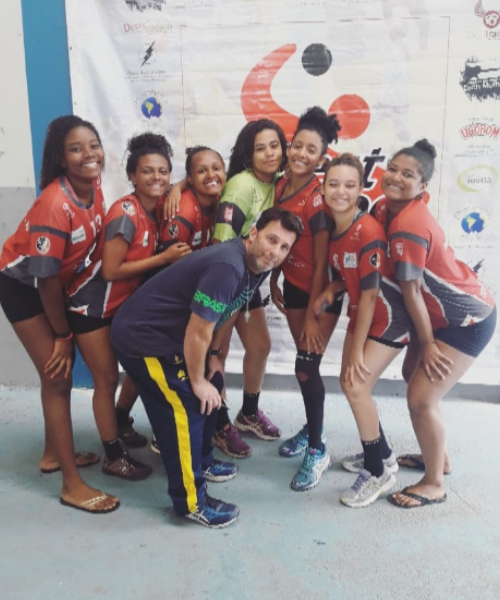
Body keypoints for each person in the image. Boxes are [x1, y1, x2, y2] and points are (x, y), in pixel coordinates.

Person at [110, 207, 303, 528]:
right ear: (253, 233)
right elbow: (198, 329)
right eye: (272, 240)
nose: (276, 252)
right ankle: (190, 503)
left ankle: (201, 462)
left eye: (285, 247)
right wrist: (196, 380)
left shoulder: (257, 264)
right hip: (143, 338)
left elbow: (227, 309)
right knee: (187, 403)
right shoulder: (227, 267)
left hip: (174, 336)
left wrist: (213, 356)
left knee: (214, 381)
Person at [0, 115, 118, 513]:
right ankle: (71, 484)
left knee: (57, 379)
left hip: (51, 286)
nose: (89, 154)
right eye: (76, 149)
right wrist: (63, 336)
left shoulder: (93, 186)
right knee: (57, 379)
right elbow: (46, 281)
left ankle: (53, 455)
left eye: (93, 145)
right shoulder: (55, 204)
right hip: (23, 288)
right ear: (61, 158)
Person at [378, 140, 497, 508]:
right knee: (412, 375)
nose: (396, 177)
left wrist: (428, 343)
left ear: (423, 187)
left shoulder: (409, 224)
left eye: (408, 174)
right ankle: (438, 457)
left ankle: (434, 483)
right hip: (439, 315)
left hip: (467, 320)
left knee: (421, 397)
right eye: (393, 169)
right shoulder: (387, 207)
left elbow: (412, 290)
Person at [66, 133, 188, 481]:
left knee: (138, 368)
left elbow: (189, 180)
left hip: (119, 308)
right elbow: (111, 270)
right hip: (90, 308)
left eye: (163, 171)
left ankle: (119, 421)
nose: (156, 178)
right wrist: (163, 258)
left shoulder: (156, 207)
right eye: (147, 171)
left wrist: (179, 186)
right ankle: (113, 455)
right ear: (132, 176)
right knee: (106, 379)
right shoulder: (126, 213)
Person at [315, 153, 412, 508]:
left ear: (360, 190)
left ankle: (377, 473)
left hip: (387, 318)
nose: (340, 191)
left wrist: (357, 350)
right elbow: (352, 275)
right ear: (323, 188)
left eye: (349, 185)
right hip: (362, 315)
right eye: (333, 184)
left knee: (356, 385)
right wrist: (332, 287)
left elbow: (371, 294)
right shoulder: (336, 227)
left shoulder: (367, 229)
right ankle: (382, 453)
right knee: (351, 384)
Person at [126, 145, 227, 454]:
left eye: (216, 168)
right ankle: (165, 433)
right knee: (169, 368)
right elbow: (169, 271)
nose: (211, 175)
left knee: (149, 368)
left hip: (182, 297)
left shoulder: (218, 199)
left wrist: (180, 184)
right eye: (201, 171)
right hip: (164, 303)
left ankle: (121, 416)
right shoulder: (183, 211)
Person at [269, 106, 342, 491]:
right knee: (305, 365)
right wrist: (274, 279)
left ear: (322, 158)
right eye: (297, 145)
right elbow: (281, 237)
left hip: (319, 294)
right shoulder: (281, 185)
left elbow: (322, 263)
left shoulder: (317, 199)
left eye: (311, 150)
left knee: (305, 368)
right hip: (294, 286)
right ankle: (313, 428)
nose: (301, 154)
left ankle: (318, 449)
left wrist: (315, 313)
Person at [209, 119, 288, 458]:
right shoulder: (242, 186)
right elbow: (222, 244)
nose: (269, 153)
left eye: (275, 145)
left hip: (251, 279)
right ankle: (218, 424)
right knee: (216, 353)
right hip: (228, 280)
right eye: (260, 148)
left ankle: (248, 414)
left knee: (260, 345)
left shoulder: (279, 182)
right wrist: (225, 296)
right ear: (248, 154)